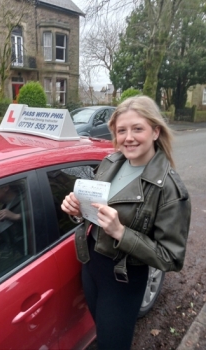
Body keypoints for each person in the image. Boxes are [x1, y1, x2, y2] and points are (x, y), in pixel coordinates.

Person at [61, 95, 191, 350]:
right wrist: (76, 210)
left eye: (137, 129)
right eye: (122, 130)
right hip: (92, 266)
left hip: (124, 279)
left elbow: (172, 258)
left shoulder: (170, 189)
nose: (128, 137)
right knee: (103, 334)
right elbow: (92, 212)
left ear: (155, 131)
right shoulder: (111, 162)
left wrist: (121, 232)